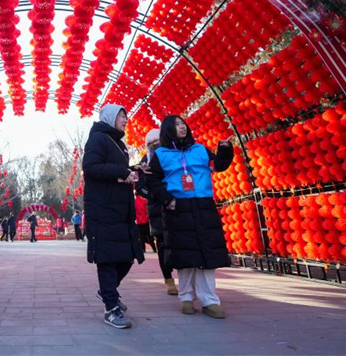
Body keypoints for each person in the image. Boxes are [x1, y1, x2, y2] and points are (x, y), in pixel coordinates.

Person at [146, 115, 233, 319]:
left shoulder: (200, 150)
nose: (182, 127)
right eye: (177, 124)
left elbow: (217, 165)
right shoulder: (160, 155)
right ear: (168, 129)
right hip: (178, 208)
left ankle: (210, 300)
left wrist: (225, 150)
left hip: (203, 205)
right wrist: (167, 199)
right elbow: (151, 181)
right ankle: (186, 297)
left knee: (207, 254)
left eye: (183, 123)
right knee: (185, 256)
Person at [82, 104, 144, 329]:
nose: (125, 119)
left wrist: (134, 169)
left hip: (120, 211)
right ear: (109, 118)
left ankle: (106, 291)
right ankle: (111, 308)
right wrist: (121, 172)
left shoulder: (118, 143)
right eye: (121, 116)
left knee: (127, 256)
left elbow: (115, 170)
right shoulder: (98, 139)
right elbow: (90, 167)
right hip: (103, 210)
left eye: (126, 116)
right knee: (108, 259)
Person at [135, 128, 177, 295]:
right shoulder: (145, 161)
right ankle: (168, 278)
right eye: (152, 144)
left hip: (175, 206)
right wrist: (154, 195)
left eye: (158, 141)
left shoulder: (173, 156)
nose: (156, 145)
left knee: (179, 242)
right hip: (157, 210)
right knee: (162, 244)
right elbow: (140, 187)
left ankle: (186, 277)